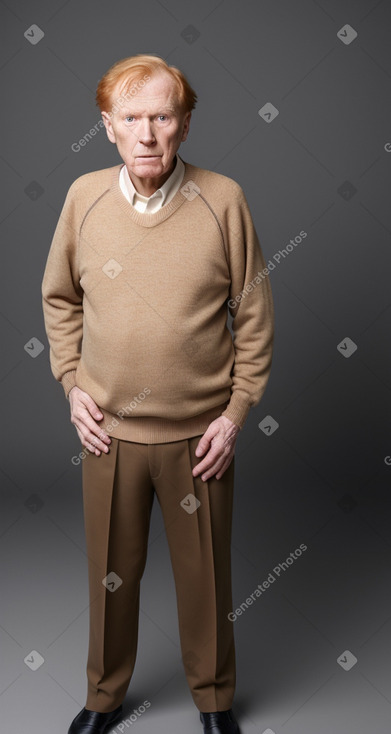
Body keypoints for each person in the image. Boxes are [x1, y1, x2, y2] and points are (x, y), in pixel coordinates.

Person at [41, 53, 274, 734]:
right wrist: (70, 382)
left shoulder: (223, 198)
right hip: (107, 435)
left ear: (185, 123)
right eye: (132, 118)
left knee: (205, 584)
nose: (147, 134)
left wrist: (234, 415)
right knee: (111, 578)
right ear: (108, 126)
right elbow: (59, 298)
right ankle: (103, 696)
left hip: (200, 438)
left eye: (162, 116)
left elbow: (254, 314)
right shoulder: (82, 198)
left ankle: (213, 701)